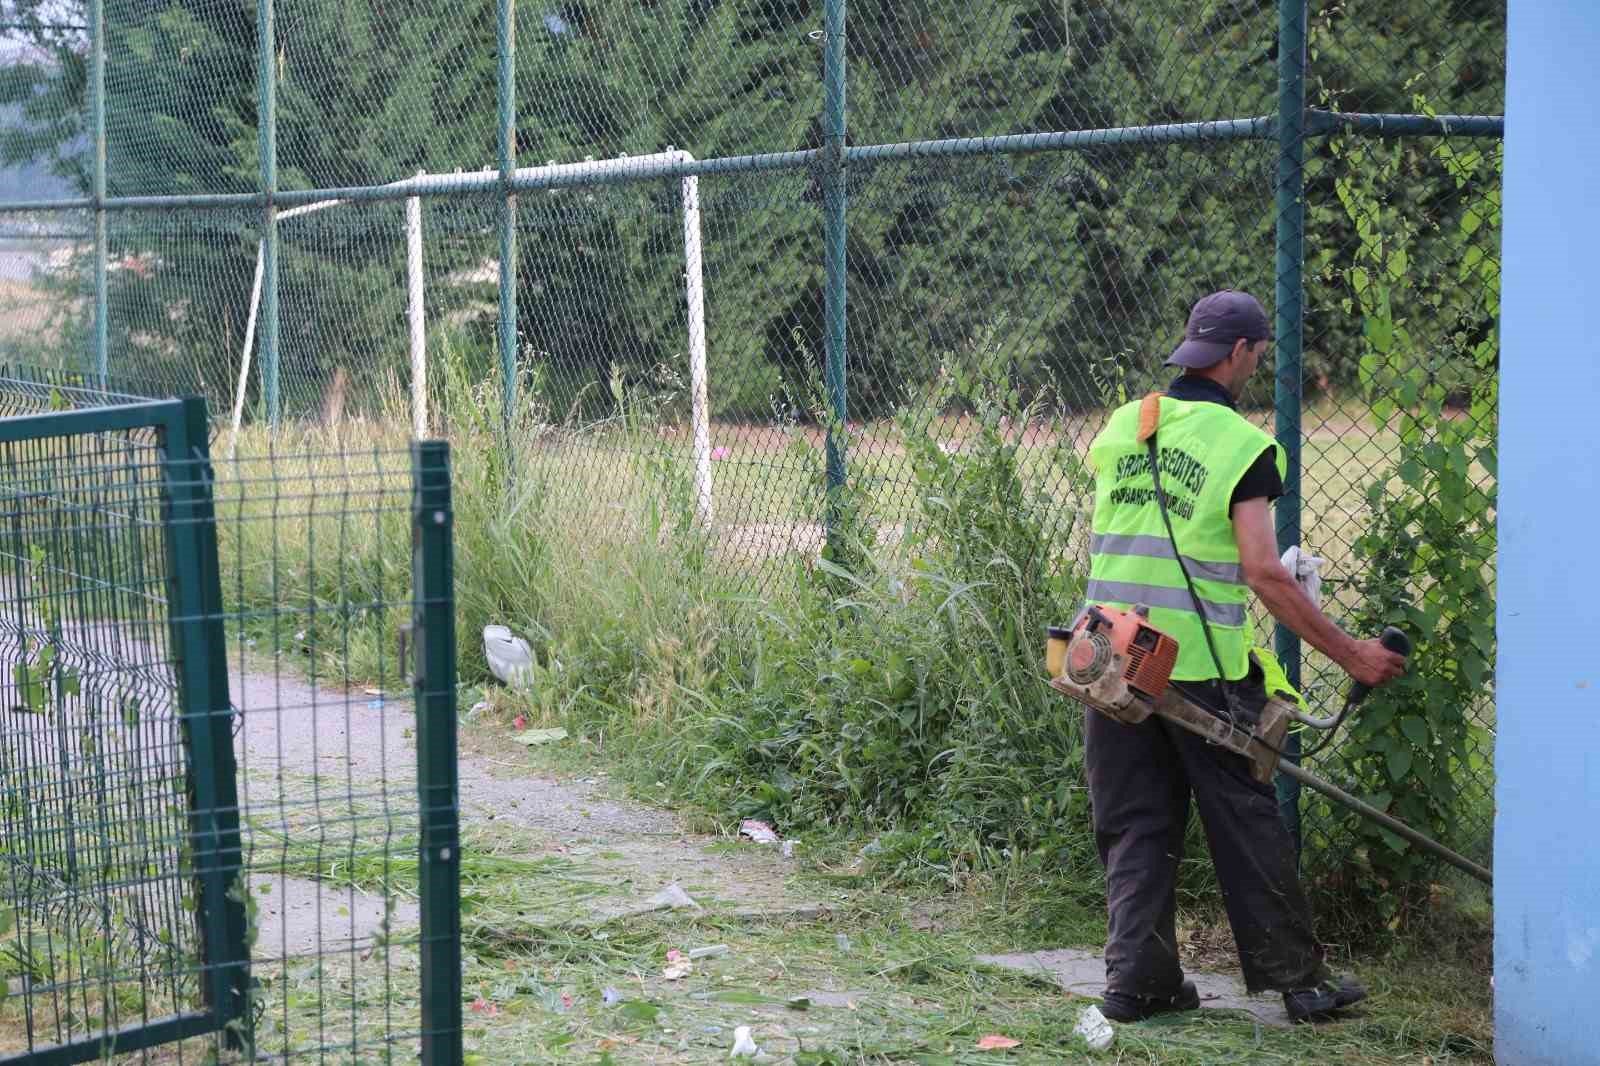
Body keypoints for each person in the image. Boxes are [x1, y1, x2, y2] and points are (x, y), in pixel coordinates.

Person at [1079, 289, 1406, 1024]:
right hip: (1196, 666)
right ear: (1240, 354)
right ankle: (1301, 983)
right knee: (1246, 820)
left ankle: (1139, 983)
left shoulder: (1124, 426)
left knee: (1134, 820)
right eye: (1258, 352)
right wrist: (1352, 653)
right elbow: (1263, 571)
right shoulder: (1243, 448)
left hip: (1109, 651)